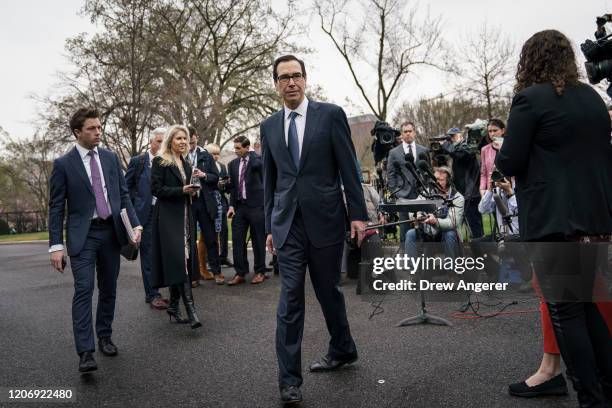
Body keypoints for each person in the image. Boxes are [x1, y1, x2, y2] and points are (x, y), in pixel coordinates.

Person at [496, 29, 612, 407]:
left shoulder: (530, 99)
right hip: (594, 216)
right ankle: (606, 388)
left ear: (531, 60)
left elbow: (509, 161)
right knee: (588, 306)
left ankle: (590, 397)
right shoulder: (594, 98)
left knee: (565, 312)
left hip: (552, 220)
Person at [261, 54, 368, 404]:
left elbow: (349, 168)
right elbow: (271, 182)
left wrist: (358, 214)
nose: (290, 82)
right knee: (290, 298)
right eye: (283, 77)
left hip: (325, 219)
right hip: (287, 225)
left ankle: (343, 348)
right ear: (276, 84)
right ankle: (289, 380)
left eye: (296, 76)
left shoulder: (331, 115)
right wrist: (268, 227)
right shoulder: (269, 126)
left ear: (306, 79)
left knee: (328, 291)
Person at [48, 108, 142, 373]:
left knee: (109, 288)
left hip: (111, 232)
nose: (98, 132)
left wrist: (134, 224)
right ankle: (85, 352)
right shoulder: (63, 165)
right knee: (84, 289)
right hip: (83, 236)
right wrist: (55, 245)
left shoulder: (111, 159)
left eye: (99, 127)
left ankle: (104, 336)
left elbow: (123, 196)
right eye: (91, 128)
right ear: (77, 132)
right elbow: (55, 207)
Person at [150, 125, 202, 329]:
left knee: (183, 262)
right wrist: (181, 189)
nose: (183, 142)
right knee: (180, 262)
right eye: (179, 138)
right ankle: (192, 311)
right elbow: (156, 190)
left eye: (185, 139)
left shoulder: (187, 164)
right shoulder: (160, 161)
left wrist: (192, 191)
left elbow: (186, 192)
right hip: (168, 219)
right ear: (170, 140)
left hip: (186, 218)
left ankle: (173, 305)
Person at [125, 127, 168, 310]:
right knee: (149, 254)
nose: (161, 144)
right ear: (151, 142)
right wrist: (134, 212)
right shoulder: (139, 162)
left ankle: (158, 289)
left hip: (165, 213)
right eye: (158, 141)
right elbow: (125, 190)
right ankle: (152, 294)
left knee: (164, 253)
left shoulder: (169, 162)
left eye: (163, 141)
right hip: (146, 215)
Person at [226, 136, 267, 285]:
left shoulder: (257, 161)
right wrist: (231, 206)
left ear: (246, 148)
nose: (235, 151)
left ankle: (260, 271)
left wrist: (252, 153)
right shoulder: (232, 164)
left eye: (238, 148)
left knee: (258, 240)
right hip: (240, 207)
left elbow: (260, 167)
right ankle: (240, 273)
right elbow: (233, 188)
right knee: (237, 240)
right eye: (235, 148)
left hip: (257, 206)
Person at [188, 128, 224, 285]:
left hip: (204, 201)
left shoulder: (205, 156)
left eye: (192, 139)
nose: (189, 143)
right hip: (187, 201)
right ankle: (193, 275)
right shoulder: (178, 156)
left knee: (210, 238)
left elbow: (216, 177)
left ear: (196, 138)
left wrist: (204, 175)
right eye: (185, 140)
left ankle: (217, 272)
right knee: (190, 240)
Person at [404, 166, 464, 260]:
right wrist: (417, 214)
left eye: (440, 180)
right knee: (410, 234)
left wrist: (435, 221)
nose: (436, 182)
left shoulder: (457, 197)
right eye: (435, 179)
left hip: (445, 234)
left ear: (448, 181)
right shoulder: (427, 192)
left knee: (450, 234)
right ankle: (413, 269)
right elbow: (413, 208)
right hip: (428, 232)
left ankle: (451, 271)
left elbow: (452, 223)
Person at [386, 121, 429, 242]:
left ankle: (424, 257)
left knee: (423, 228)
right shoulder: (394, 153)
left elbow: (428, 172)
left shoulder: (423, 150)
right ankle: (406, 257)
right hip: (403, 196)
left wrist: (427, 191)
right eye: (405, 132)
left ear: (414, 132)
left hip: (422, 195)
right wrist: (396, 193)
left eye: (410, 131)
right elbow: (391, 174)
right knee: (405, 231)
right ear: (401, 134)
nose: (408, 134)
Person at [442, 127, 483, 239]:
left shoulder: (466, 146)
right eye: (450, 137)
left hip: (470, 195)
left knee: (475, 226)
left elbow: (462, 155)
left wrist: (446, 146)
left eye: (453, 136)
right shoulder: (454, 149)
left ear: (460, 135)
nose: (451, 139)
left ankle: (481, 252)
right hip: (460, 194)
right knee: (461, 226)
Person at [206, 143, 233, 267]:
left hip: (222, 200)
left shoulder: (222, 166)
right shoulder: (205, 167)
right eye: (213, 154)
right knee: (211, 231)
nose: (216, 156)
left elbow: (226, 187)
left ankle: (223, 256)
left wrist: (226, 183)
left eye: (217, 154)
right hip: (210, 201)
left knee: (224, 230)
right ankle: (210, 258)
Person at [479, 119, 506, 197]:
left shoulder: (509, 147)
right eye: (490, 131)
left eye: (495, 130)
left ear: (503, 130)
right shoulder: (485, 149)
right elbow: (483, 172)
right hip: (490, 190)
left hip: (506, 188)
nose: (492, 134)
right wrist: (482, 188)